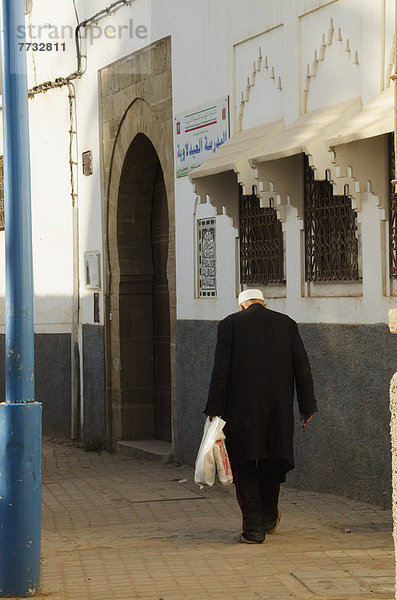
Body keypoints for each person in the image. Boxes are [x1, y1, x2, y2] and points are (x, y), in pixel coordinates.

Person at [204, 288, 317, 544]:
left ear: (241, 305)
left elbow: (220, 370)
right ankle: (268, 519)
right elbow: (302, 366)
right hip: (277, 413)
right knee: (271, 463)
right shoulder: (286, 324)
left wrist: (214, 410)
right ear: (263, 304)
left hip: (241, 414)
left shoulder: (229, 324)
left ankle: (254, 530)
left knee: (245, 467)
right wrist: (307, 406)